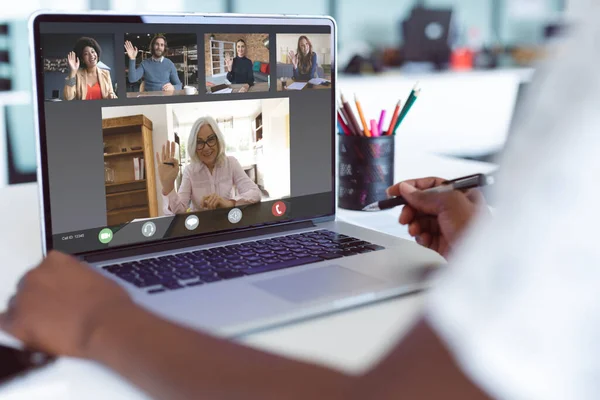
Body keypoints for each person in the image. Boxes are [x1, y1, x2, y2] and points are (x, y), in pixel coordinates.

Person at [3, 8, 600, 399]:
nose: (207, 144)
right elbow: (176, 201)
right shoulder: (186, 167)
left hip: (265, 237)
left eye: (210, 137)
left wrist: (97, 321)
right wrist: (494, 254)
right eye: (203, 139)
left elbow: (251, 195)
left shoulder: (232, 162)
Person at [156, 116, 261, 214]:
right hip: (200, 228)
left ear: (218, 140)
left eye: (211, 139)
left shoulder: (231, 163)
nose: (206, 147)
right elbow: (179, 210)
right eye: (199, 142)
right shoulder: (190, 171)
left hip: (227, 221)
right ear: (194, 146)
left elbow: (255, 193)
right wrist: (168, 186)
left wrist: (229, 203)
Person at [63, 37, 117, 101]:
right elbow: (68, 97)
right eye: (86, 54)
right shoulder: (76, 75)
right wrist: (73, 71)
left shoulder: (106, 73)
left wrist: (112, 96)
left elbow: (112, 94)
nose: (91, 55)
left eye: (93, 51)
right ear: (82, 59)